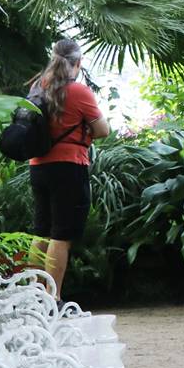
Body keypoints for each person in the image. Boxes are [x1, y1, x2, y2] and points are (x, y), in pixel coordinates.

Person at [26, 38, 109, 299]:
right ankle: (54, 297)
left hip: (38, 166)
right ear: (78, 63)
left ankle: (33, 295)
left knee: (41, 231)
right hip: (69, 166)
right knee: (61, 235)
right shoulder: (78, 92)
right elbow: (103, 130)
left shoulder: (37, 87)